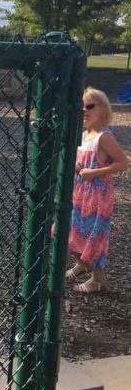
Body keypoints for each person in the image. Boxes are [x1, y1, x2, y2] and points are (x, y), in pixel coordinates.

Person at [66, 87, 129, 293]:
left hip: (97, 196)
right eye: (82, 107)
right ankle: (83, 263)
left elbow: (122, 163)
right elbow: (81, 162)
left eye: (90, 106)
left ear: (103, 109)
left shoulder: (104, 137)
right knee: (69, 230)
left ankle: (98, 279)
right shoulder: (84, 135)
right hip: (79, 193)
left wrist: (94, 172)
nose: (85, 110)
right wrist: (78, 168)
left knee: (94, 236)